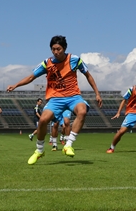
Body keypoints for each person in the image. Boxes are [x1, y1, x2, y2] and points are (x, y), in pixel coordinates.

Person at [6, 35, 103, 164]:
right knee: (43, 120)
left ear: (64, 48)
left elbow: (88, 76)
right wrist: (15, 85)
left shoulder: (74, 60)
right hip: (55, 99)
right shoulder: (47, 63)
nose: (56, 52)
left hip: (73, 96)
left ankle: (68, 145)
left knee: (82, 111)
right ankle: (39, 151)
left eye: (58, 49)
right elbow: (31, 77)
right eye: (53, 49)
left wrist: (97, 93)